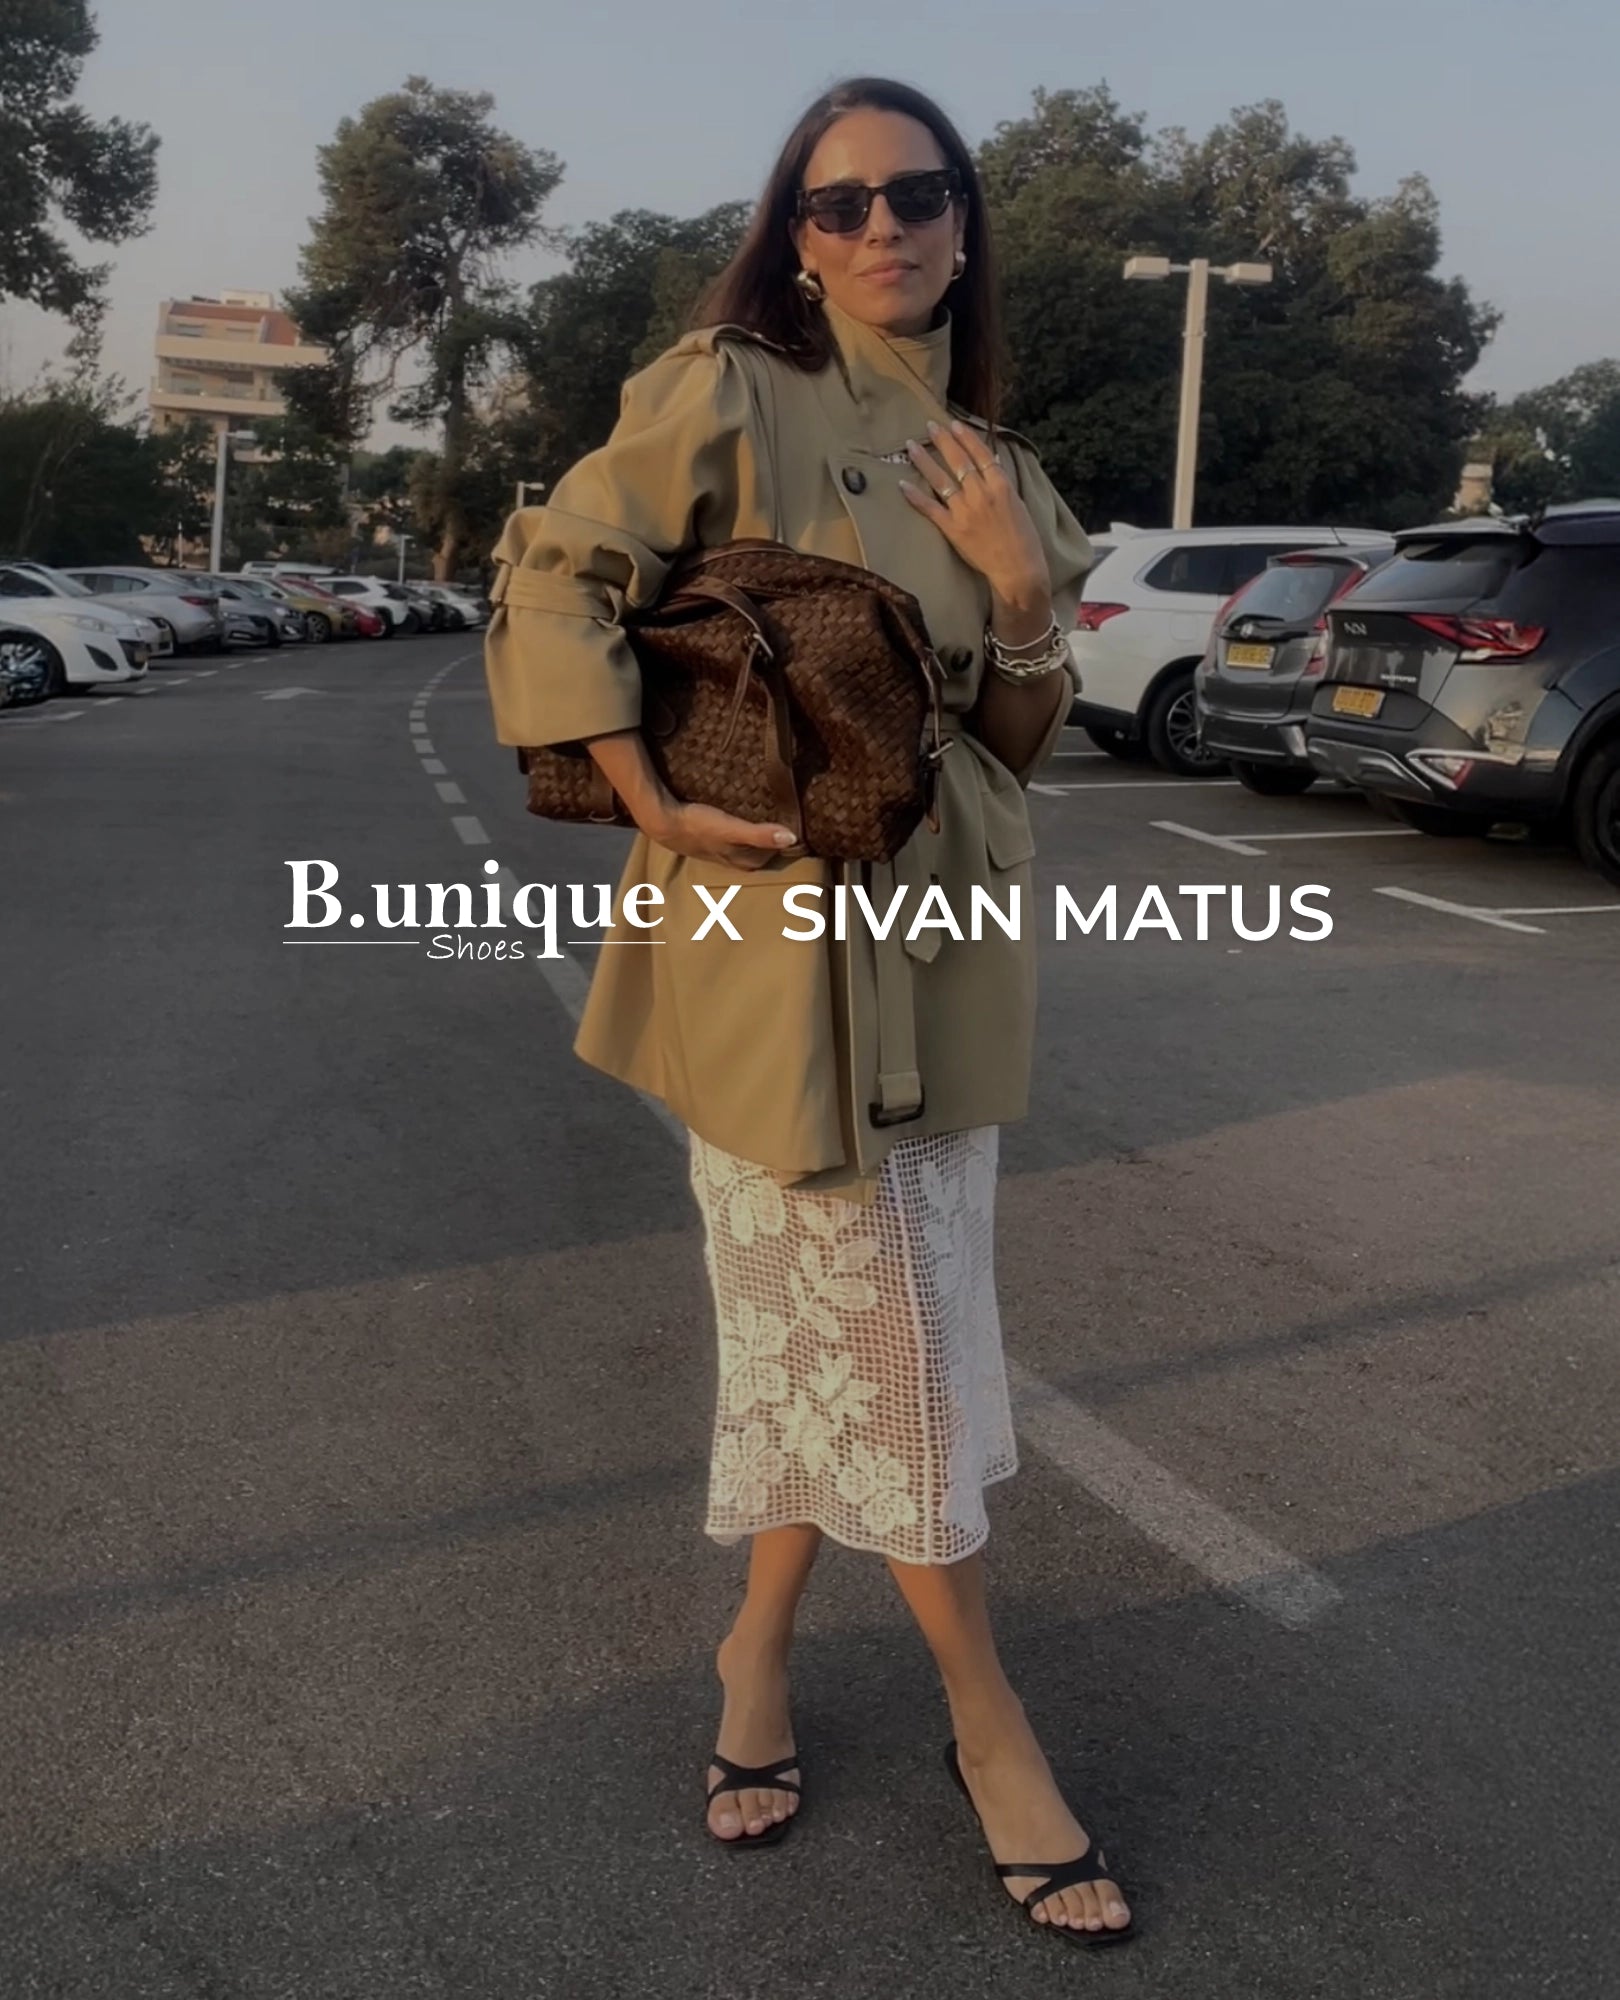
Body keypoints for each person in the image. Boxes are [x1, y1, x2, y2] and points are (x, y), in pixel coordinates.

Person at [484, 76, 1135, 1947]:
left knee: (821, 1350)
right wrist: (645, 788)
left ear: (965, 221)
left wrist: (1019, 589)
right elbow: (562, 571)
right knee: (898, 1352)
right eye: (837, 204)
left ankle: (754, 1652)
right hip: (767, 947)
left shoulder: (993, 456)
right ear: (795, 236)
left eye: (917, 195)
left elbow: (1010, 743)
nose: (882, 230)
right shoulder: (730, 388)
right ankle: (989, 1723)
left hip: (942, 936)